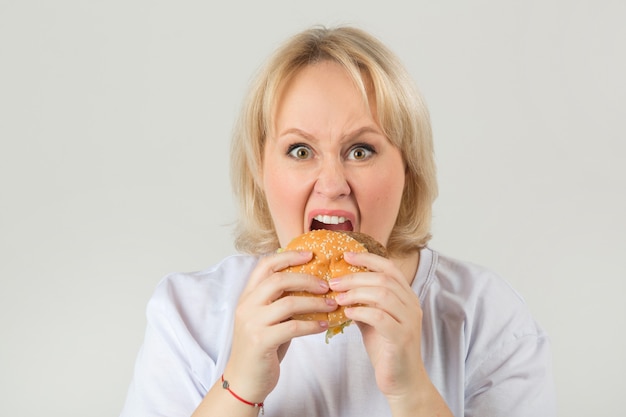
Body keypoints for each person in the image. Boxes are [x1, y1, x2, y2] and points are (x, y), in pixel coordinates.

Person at [120, 26, 556, 417]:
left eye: (361, 150)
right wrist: (239, 390)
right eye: (300, 151)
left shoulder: (487, 318)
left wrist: (411, 392)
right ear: (259, 170)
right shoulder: (187, 315)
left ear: (409, 169)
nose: (332, 184)